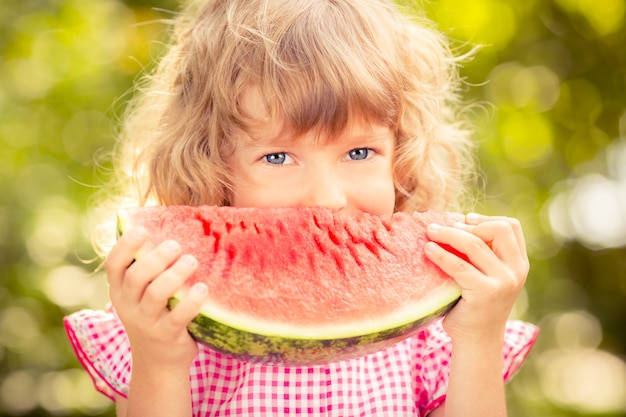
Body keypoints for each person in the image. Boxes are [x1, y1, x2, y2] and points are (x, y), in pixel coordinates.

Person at [64, 0, 539, 416]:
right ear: (211, 164)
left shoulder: (431, 334)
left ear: (401, 156)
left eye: (358, 153)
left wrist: (478, 337)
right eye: (277, 157)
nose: (327, 199)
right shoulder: (165, 313)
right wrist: (160, 360)